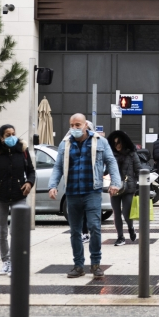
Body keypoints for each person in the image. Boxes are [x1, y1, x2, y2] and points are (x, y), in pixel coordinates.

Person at [48, 113, 121, 279]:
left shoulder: (100, 142)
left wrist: (115, 183)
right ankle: (78, 265)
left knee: (95, 227)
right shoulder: (65, 144)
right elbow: (58, 166)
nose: (74, 128)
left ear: (86, 125)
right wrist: (52, 186)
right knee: (75, 231)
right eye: (72, 125)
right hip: (72, 192)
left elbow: (111, 162)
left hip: (92, 191)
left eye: (78, 125)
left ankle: (95, 264)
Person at [0, 125, 36, 277]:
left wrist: (29, 183)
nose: (11, 137)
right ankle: (5, 261)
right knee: (2, 230)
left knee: (16, 231)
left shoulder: (22, 150)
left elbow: (31, 171)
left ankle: (15, 262)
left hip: (18, 194)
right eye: (7, 135)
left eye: (13, 134)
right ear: (1, 137)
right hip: (0, 194)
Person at [107, 130, 143, 246]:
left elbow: (139, 170)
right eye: (115, 143)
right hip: (115, 187)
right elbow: (106, 171)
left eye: (119, 143)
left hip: (129, 188)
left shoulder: (132, 154)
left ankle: (131, 227)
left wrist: (139, 187)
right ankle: (120, 237)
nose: (117, 145)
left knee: (126, 213)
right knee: (116, 213)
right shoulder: (111, 155)